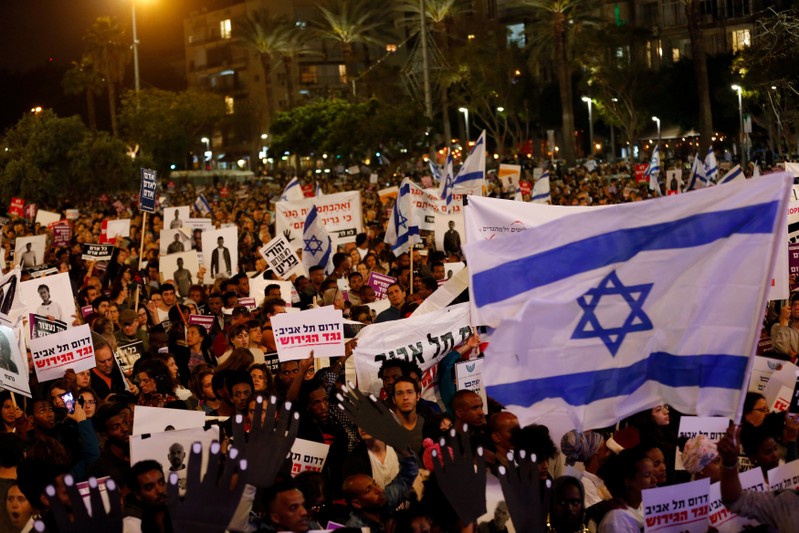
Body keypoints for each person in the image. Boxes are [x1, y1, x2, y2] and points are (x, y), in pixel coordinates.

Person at [597, 447, 654, 532]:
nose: (654, 480)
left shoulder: (648, 507)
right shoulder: (617, 520)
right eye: (647, 475)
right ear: (628, 481)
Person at [123, 460, 170, 533]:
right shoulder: (132, 524)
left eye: (161, 482)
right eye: (150, 487)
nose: (160, 491)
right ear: (138, 495)